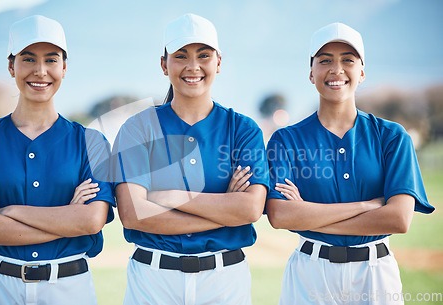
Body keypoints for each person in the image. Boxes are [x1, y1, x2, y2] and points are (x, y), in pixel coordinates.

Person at [265, 22, 435, 305]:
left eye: (348, 60)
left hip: (376, 273)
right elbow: (281, 216)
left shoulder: (392, 136)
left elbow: (399, 219)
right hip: (310, 273)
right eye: (325, 61)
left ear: (362, 71)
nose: (336, 70)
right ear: (311, 73)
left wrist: (309, 214)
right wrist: (366, 206)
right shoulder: (286, 140)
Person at [0, 15, 115, 305]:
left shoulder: (92, 143)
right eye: (28, 59)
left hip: (68, 289)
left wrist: (11, 211)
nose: (40, 71)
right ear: (10, 66)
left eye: (51, 60)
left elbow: (90, 221)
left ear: (64, 67)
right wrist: (66, 216)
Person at [111, 13, 269, 305]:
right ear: (164, 64)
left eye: (204, 55)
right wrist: (223, 211)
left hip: (225, 281)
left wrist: (170, 196)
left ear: (218, 62)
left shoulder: (243, 129)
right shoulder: (138, 129)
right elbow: (133, 214)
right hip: (153, 280)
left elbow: (249, 210)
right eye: (181, 56)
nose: (193, 66)